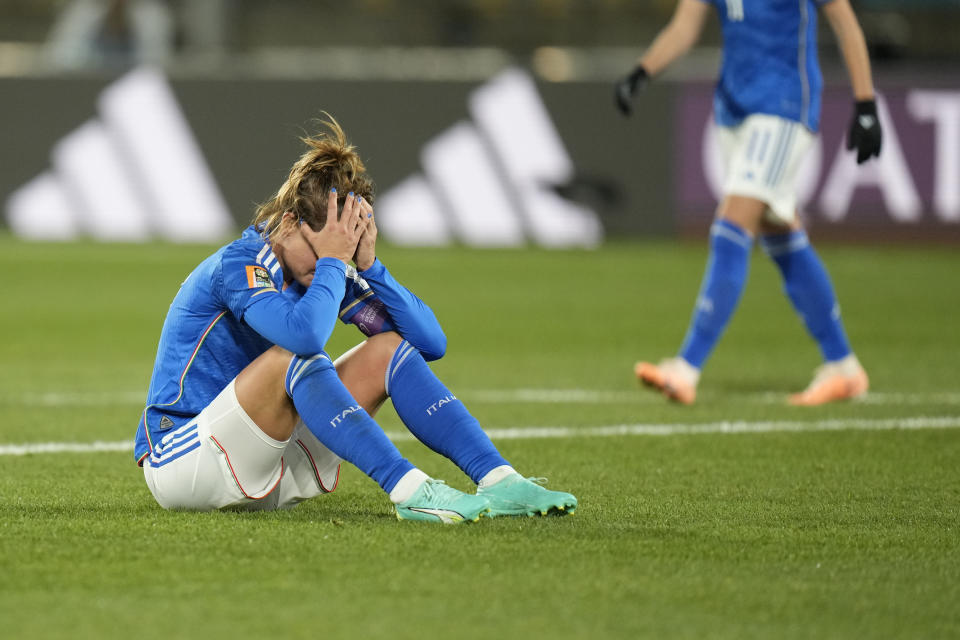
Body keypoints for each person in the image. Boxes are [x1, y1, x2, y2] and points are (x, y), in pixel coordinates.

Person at [135, 116, 577, 522]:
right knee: (293, 355)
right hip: (184, 459)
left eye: (343, 247)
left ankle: (500, 481)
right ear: (289, 222)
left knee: (386, 350)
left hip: (263, 458)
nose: (331, 261)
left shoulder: (328, 267)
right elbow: (303, 336)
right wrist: (332, 261)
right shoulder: (241, 264)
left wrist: (369, 268)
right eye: (324, 246)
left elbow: (429, 344)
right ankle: (411, 490)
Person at [614, 0, 882, 406]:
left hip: (784, 105)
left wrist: (865, 104)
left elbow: (844, 22)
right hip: (733, 109)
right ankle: (844, 368)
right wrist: (643, 70)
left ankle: (686, 368)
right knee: (781, 236)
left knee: (731, 228)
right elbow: (684, 28)